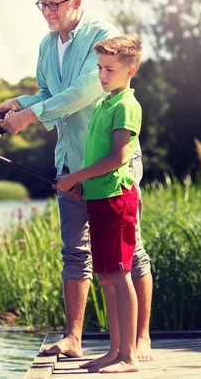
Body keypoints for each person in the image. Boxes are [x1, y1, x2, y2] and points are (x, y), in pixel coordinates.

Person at [0, 0, 153, 361]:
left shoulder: (102, 35)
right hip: (69, 162)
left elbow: (85, 91)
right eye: (42, 4)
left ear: (76, 3)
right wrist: (20, 102)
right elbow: (50, 93)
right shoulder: (48, 46)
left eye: (54, 4)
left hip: (108, 166)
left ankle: (140, 339)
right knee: (74, 252)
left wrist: (31, 116)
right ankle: (73, 338)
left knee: (130, 253)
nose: (47, 11)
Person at [54, 34, 143, 373]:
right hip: (99, 198)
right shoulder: (105, 103)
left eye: (110, 69)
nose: (103, 75)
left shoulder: (125, 105)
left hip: (118, 201)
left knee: (120, 275)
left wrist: (75, 177)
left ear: (129, 70)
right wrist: (84, 186)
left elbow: (119, 157)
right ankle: (114, 350)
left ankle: (129, 356)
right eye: (99, 68)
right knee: (106, 275)